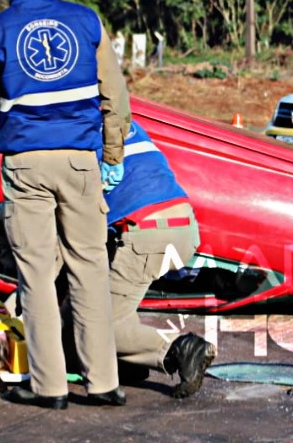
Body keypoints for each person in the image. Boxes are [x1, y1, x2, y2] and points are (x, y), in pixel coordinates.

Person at [0, 0, 130, 410]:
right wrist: (112, 157)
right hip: (79, 160)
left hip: (25, 165)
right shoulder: (87, 21)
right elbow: (116, 98)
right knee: (90, 269)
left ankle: (49, 386)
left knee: (35, 276)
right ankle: (103, 383)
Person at [72, 120, 215, 398]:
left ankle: (181, 349)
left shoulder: (71, 133)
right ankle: (127, 361)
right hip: (181, 223)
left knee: (94, 326)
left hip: (148, 231)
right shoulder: (121, 121)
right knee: (116, 306)